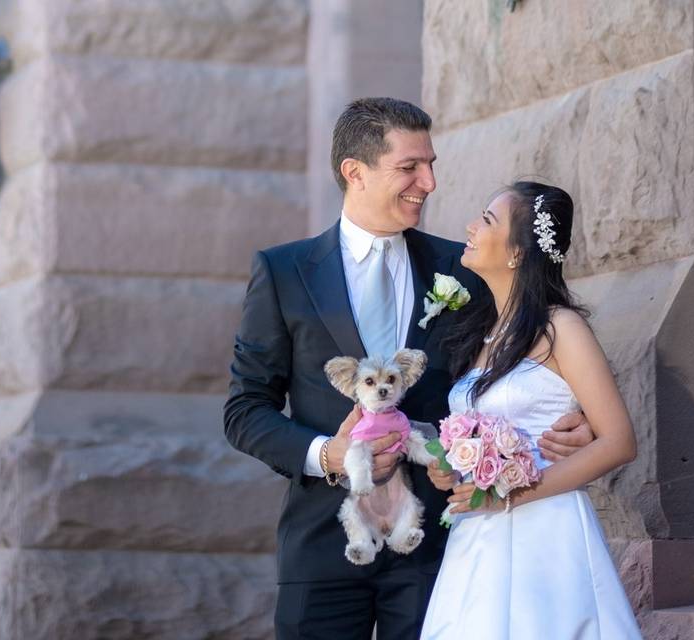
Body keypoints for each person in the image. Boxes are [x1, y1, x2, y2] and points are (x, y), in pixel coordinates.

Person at [223, 97, 594, 639]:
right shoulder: (282, 272)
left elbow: (530, 349)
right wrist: (326, 454)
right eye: (409, 167)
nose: (429, 182)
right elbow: (244, 409)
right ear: (355, 172)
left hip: (437, 544)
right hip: (324, 544)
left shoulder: (462, 268)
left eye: (431, 164)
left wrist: (576, 416)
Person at [420, 182, 641, 639]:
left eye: (487, 219)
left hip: (546, 535)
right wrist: (450, 467)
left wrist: (514, 495)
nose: (472, 227)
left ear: (518, 253)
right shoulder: (482, 333)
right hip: (478, 538)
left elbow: (619, 441)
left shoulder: (561, 327)